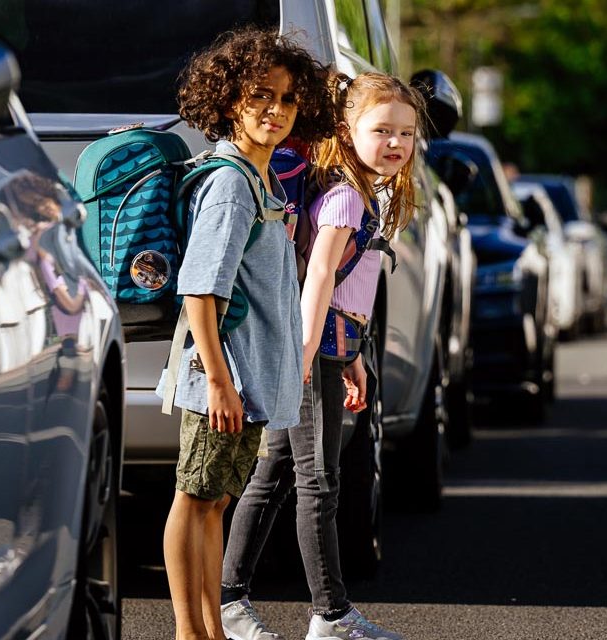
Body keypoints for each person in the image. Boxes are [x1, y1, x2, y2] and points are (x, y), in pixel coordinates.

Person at [220, 72, 423, 640]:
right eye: (381, 130)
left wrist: (351, 352)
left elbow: (344, 288)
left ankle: (229, 600)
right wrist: (308, 356)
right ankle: (329, 616)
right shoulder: (344, 198)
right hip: (311, 353)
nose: (395, 144)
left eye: (405, 134)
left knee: (275, 472)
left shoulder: (357, 191)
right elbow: (318, 276)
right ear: (345, 130)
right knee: (319, 483)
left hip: (328, 349)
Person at [159, 27, 334, 640]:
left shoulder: (263, 182)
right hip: (223, 379)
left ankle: (210, 627)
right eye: (260, 95)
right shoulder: (231, 185)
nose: (275, 110)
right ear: (230, 99)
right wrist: (218, 381)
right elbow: (201, 290)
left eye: (287, 100)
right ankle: (189, 631)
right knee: (194, 497)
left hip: (245, 379)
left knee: (214, 504)